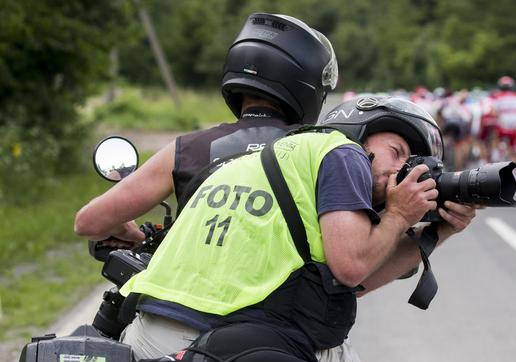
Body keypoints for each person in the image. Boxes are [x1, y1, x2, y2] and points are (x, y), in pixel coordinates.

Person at [114, 96, 478, 362]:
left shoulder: (269, 169)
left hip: (156, 340)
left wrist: (436, 232)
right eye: (396, 152)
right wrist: (398, 216)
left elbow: (357, 278)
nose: (401, 169)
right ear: (358, 137)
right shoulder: (344, 153)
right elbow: (351, 268)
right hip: (251, 348)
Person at [75, 12, 338, 246]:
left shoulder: (189, 148)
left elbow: (88, 222)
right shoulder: (325, 153)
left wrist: (128, 231)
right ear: (306, 85)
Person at [490, 76, 516, 161]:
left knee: (494, 137)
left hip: (502, 124)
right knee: (515, 145)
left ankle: (495, 156)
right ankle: (515, 166)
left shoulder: (498, 96)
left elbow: (493, 112)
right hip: (515, 125)